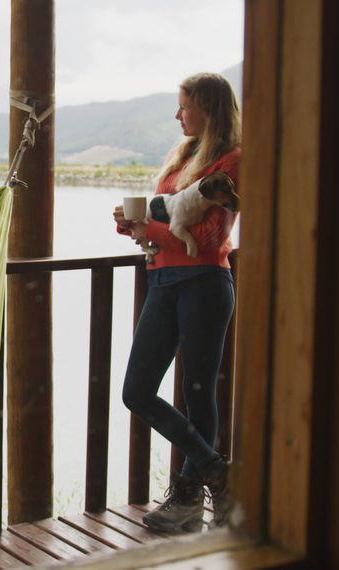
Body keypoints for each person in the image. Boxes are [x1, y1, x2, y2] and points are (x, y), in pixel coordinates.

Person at [113, 72, 241, 532]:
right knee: (137, 391)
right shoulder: (181, 155)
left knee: (198, 391)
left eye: (183, 105)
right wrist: (133, 224)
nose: (177, 114)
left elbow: (208, 237)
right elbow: (164, 216)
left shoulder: (231, 160)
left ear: (207, 107)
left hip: (204, 280)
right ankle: (215, 470)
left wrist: (151, 225)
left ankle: (188, 499)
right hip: (163, 280)